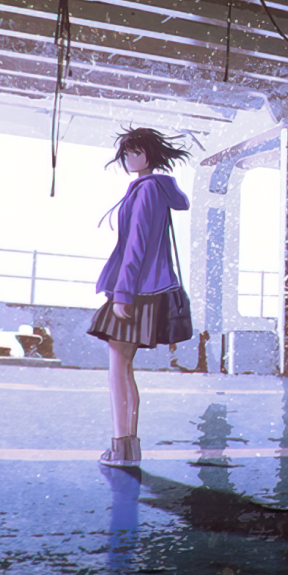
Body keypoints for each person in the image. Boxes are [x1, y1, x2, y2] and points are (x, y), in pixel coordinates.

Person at [86, 127, 192, 468]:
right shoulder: (158, 188)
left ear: (150, 154)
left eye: (136, 152)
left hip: (137, 290)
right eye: (126, 153)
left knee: (118, 370)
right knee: (124, 368)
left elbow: (136, 245)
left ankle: (122, 448)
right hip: (149, 288)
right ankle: (127, 448)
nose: (129, 159)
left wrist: (123, 293)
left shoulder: (146, 190)